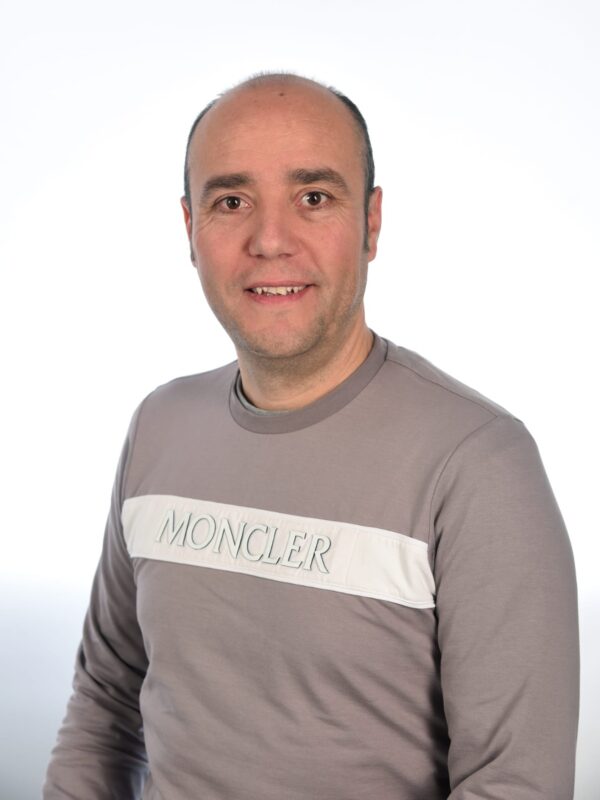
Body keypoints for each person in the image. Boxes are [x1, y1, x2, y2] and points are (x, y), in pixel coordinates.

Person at [44, 72, 579, 799]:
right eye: (232, 202)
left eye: (315, 198)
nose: (270, 241)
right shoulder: (158, 427)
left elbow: (514, 785)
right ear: (190, 229)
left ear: (371, 224)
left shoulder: (478, 463)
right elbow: (106, 703)